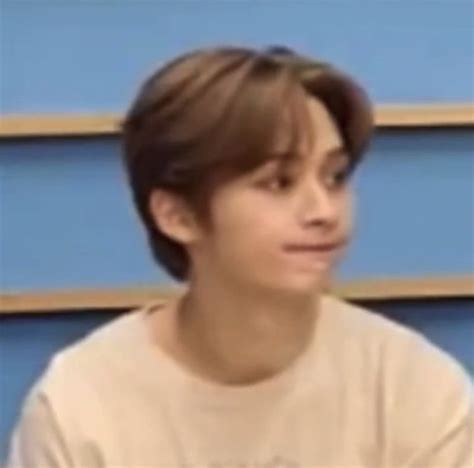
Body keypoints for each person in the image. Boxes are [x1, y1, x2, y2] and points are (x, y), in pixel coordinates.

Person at [6, 46, 473, 468]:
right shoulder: (79, 403)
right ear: (177, 215)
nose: (325, 211)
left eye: (334, 177)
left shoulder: (414, 388)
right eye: (279, 182)